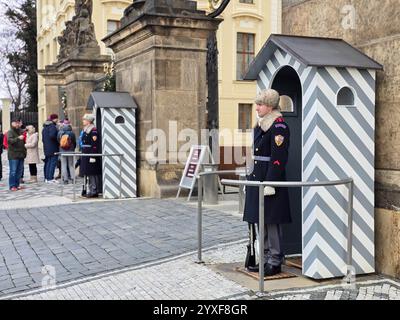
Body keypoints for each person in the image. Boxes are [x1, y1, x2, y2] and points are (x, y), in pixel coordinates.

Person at [243, 89, 292, 277]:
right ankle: (264, 259)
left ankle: (275, 260)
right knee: (260, 220)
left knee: (272, 222)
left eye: (260, 105)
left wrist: (271, 182)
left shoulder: (279, 126)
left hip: (270, 179)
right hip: (257, 178)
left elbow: (279, 157)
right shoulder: (260, 125)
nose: (256, 108)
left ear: (270, 106)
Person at [80, 114, 102, 198]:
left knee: (92, 173)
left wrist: (93, 156)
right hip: (86, 153)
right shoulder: (86, 130)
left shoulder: (93, 130)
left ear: (89, 121)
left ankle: (94, 190)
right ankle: (90, 189)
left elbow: (94, 144)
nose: (83, 121)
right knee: (88, 173)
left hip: (90, 153)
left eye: (84, 120)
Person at [7, 119, 27, 191]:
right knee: (13, 171)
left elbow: (25, 130)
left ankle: (17, 185)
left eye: (18, 123)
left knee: (19, 171)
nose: (17, 124)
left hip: (21, 154)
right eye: (16, 123)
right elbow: (9, 141)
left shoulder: (20, 131)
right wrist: (18, 138)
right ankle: (12, 186)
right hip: (13, 155)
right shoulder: (10, 132)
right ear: (12, 123)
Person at [57, 119, 77, 184]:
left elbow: (58, 141)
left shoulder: (60, 132)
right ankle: (73, 178)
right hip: (70, 151)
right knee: (71, 165)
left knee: (64, 165)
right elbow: (74, 142)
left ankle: (65, 180)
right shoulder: (71, 133)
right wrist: (73, 148)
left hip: (62, 151)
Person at [42, 114, 60, 183]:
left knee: (48, 163)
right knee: (52, 163)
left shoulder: (45, 127)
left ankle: (47, 178)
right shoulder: (52, 126)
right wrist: (57, 140)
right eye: (56, 119)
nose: (57, 120)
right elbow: (52, 135)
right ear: (54, 119)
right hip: (53, 147)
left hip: (46, 148)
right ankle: (50, 178)